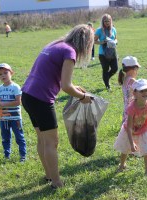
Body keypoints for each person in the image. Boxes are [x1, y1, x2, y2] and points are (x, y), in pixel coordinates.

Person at [21, 24, 94, 189]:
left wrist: (77, 88)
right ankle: (56, 182)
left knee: (43, 139)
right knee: (52, 142)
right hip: (41, 100)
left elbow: (61, 79)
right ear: (86, 43)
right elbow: (66, 87)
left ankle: (49, 175)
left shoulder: (56, 44)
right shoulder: (70, 52)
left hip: (27, 95)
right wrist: (82, 97)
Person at [114, 79, 147, 176]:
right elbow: (129, 126)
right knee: (125, 149)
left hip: (143, 129)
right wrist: (132, 143)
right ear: (135, 93)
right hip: (129, 131)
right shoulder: (131, 107)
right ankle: (122, 164)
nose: (145, 93)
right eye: (142, 91)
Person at [0, 63, 27, 162]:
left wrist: (4, 104)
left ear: (11, 73)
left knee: (19, 137)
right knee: (5, 137)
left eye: (5, 73)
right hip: (3, 118)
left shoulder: (15, 87)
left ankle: (23, 156)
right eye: (0, 74)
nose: (3, 75)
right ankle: (6, 155)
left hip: (15, 118)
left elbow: (18, 102)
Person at [94, 14, 118, 91]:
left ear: (111, 21)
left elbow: (116, 39)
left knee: (115, 68)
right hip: (103, 54)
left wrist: (115, 42)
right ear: (102, 22)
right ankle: (107, 85)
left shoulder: (113, 29)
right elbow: (94, 41)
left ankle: (106, 77)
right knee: (105, 69)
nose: (107, 23)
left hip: (112, 52)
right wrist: (102, 42)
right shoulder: (99, 30)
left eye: (109, 21)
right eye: (105, 21)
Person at [118, 56, 141, 124]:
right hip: (133, 111)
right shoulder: (132, 81)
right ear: (134, 68)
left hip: (126, 110)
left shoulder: (125, 79)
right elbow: (139, 97)